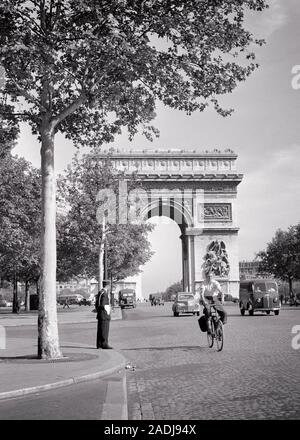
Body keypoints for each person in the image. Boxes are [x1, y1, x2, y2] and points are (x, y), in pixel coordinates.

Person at [95, 281, 112, 349]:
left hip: (100, 314)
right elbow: (103, 305)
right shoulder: (104, 293)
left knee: (100, 330)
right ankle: (104, 344)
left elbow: (97, 304)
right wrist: (109, 308)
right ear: (108, 285)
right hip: (104, 314)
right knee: (105, 330)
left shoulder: (100, 292)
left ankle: (99, 344)